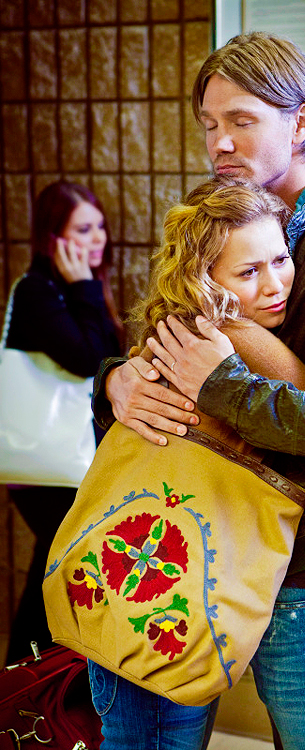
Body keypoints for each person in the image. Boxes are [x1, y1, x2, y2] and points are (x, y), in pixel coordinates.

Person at [93, 32, 305, 750]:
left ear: (301, 122)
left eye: (241, 120)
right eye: (209, 123)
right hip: (204, 544)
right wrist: (116, 380)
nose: (219, 142)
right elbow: (168, 336)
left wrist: (228, 389)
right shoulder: (220, 218)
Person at [87, 176, 305, 750]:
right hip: (171, 588)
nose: (275, 285)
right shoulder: (237, 337)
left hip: (135, 578)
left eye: (281, 259)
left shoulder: (169, 330)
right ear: (204, 280)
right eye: (248, 272)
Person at [6, 180, 122, 664]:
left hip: (63, 464)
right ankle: (23, 680)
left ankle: (27, 680)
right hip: (44, 471)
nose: (97, 239)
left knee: (58, 566)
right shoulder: (38, 290)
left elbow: (105, 360)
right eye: (83, 229)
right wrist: (83, 289)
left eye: (100, 227)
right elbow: (90, 361)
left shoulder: (72, 289)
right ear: (52, 237)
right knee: (58, 569)